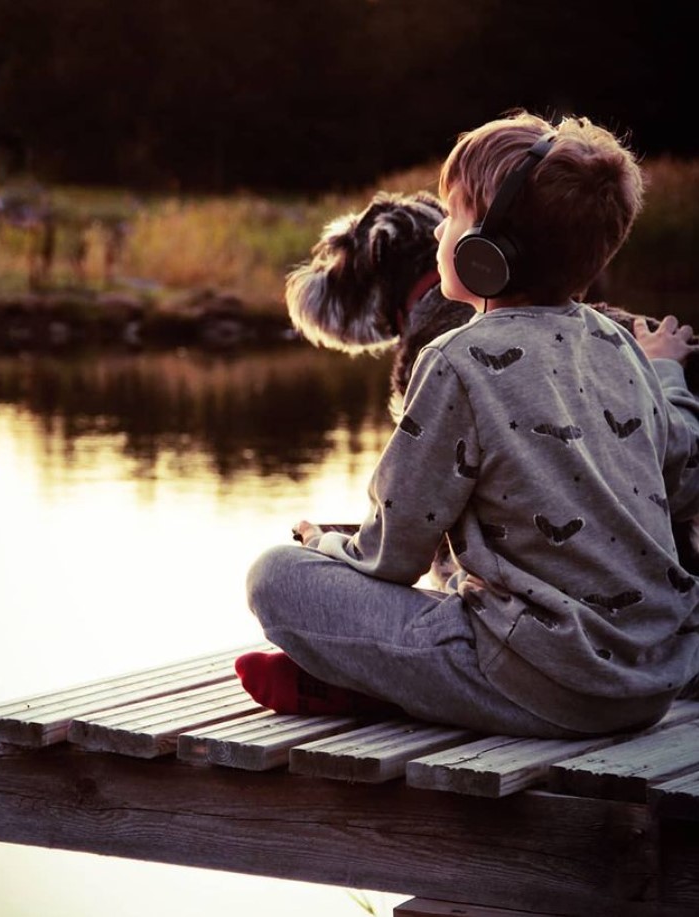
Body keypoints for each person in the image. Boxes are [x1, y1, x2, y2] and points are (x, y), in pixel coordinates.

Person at [235, 110, 699, 738]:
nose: (437, 233)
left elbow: (395, 554)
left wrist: (325, 545)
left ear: (488, 254)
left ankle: (381, 685)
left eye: (450, 216)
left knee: (275, 578)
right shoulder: (621, 346)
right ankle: (391, 683)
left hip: (546, 685)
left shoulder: (456, 360)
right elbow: (683, 475)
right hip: (653, 682)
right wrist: (667, 379)